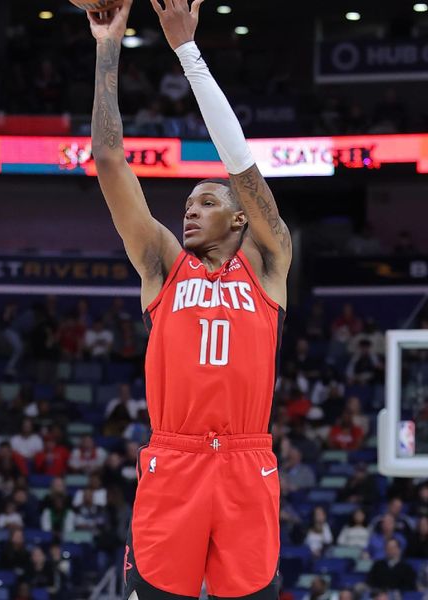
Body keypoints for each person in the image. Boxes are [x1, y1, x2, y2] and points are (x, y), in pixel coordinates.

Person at [87, 0, 292, 597]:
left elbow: (243, 166)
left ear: (239, 222)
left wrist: (188, 53)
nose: (190, 209)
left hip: (245, 463)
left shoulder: (270, 262)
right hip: (172, 461)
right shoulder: (162, 266)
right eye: (188, 204)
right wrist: (108, 46)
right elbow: (107, 160)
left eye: (207, 202)